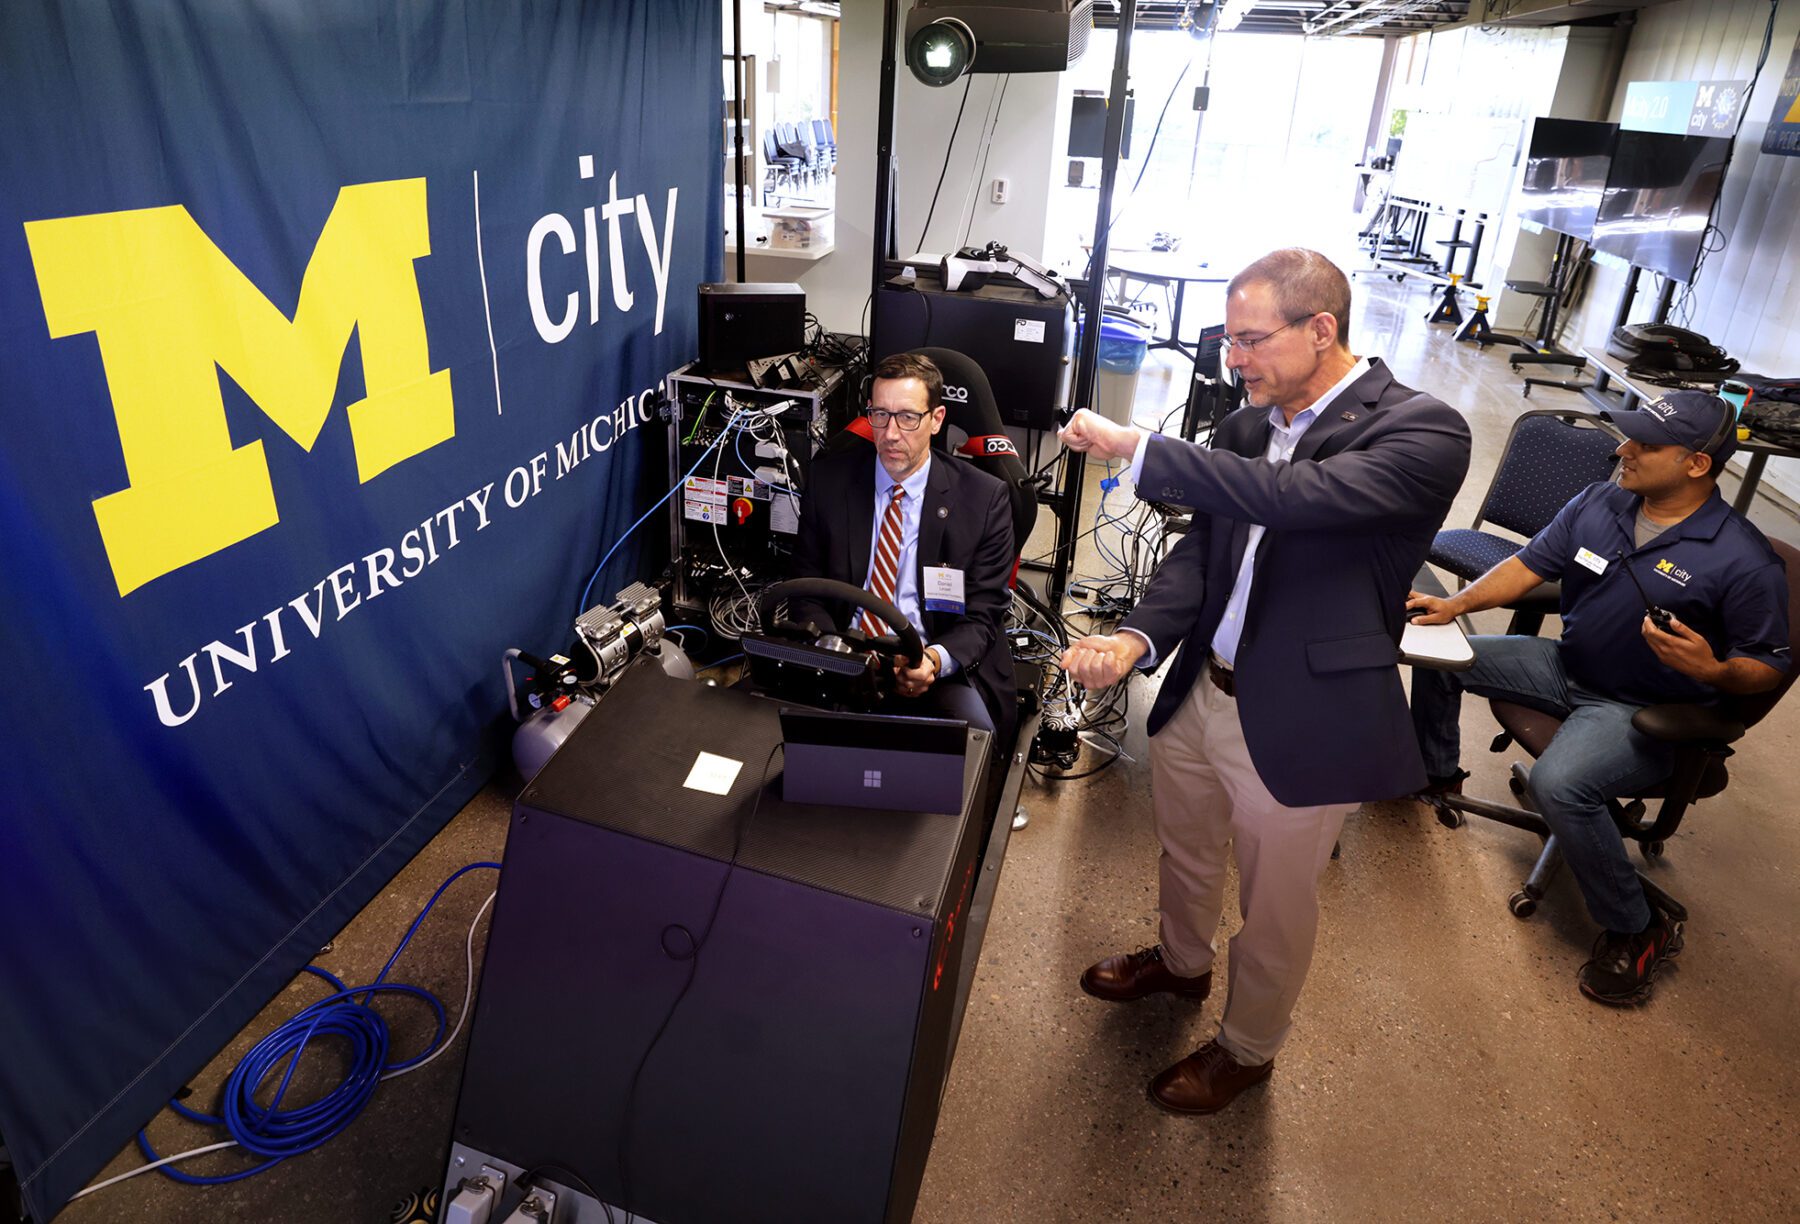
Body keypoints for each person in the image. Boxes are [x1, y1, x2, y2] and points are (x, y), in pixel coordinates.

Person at [1057, 247, 1471, 1115]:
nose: (1231, 361)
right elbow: (1205, 550)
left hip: (1302, 718)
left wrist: (1142, 448)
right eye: (1228, 341)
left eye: (1250, 340)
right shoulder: (1248, 425)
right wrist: (1136, 639)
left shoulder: (1424, 431)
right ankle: (1180, 965)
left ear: (1322, 329)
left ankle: (1248, 1049)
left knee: (1276, 904)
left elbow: (1299, 499)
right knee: (1187, 851)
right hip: (1201, 692)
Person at [1407, 390, 1789, 1006]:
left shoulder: (1743, 560)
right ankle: (1432, 774)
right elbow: (1529, 565)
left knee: (1559, 783)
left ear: (1696, 464)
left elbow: (1767, 669)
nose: (1622, 449)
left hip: (1641, 710)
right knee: (1438, 653)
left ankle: (1638, 926)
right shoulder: (1601, 501)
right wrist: (1454, 605)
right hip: (1567, 665)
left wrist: (1714, 668)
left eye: (1645, 443)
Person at [787, 352, 1017, 742]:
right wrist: (834, 650)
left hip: (935, 664)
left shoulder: (985, 499)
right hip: (846, 660)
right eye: (880, 415)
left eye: (908, 418)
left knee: (973, 756)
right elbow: (805, 587)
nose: (891, 434)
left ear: (936, 420)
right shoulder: (829, 481)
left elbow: (983, 616)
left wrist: (933, 661)